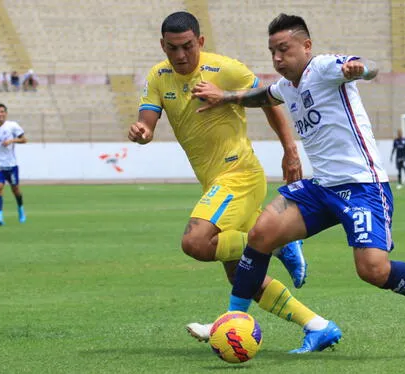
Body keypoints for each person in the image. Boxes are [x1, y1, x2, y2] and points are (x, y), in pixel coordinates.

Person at [192, 13, 405, 352]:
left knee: (372, 270)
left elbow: (367, 66)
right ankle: (231, 320)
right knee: (260, 234)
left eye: (284, 49)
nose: (278, 59)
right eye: (273, 52)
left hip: (363, 187)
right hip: (321, 187)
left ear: (306, 46)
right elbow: (265, 96)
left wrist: (359, 69)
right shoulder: (287, 85)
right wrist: (225, 97)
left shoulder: (325, 68)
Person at [129, 11, 332, 352]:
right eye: (172, 48)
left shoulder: (226, 69)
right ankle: (318, 326)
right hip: (214, 182)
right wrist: (142, 131)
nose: (180, 55)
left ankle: (277, 244)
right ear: (162, 45)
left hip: (238, 175)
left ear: (201, 42)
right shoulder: (158, 76)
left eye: (187, 47)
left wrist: (290, 150)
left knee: (196, 242)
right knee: (242, 276)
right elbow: (147, 118)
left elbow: (270, 102)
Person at [0, 103, 27, 225]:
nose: (0, 114)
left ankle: (20, 209)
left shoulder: (12, 126)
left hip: (11, 165)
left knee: (16, 190)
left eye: (2, 112)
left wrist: (12, 140)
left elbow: (24, 139)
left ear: (6, 113)